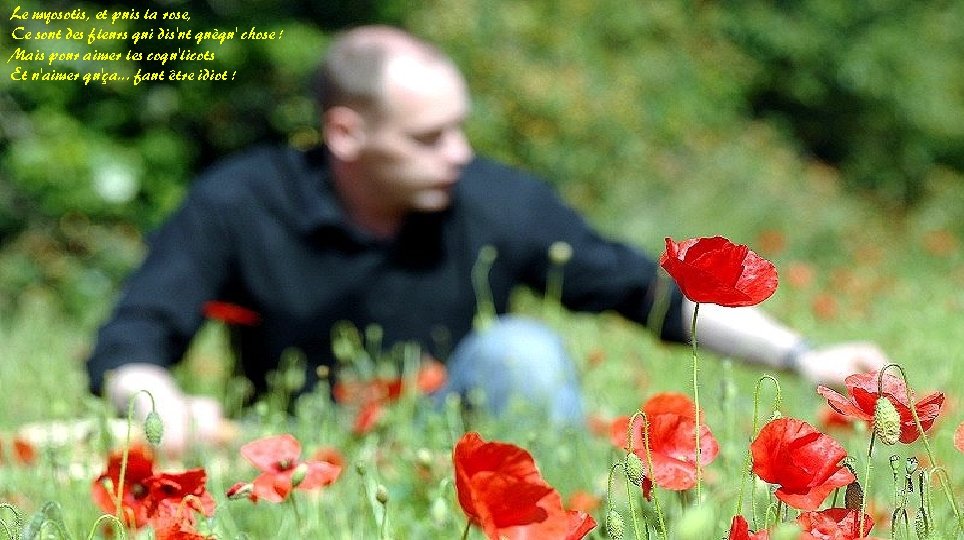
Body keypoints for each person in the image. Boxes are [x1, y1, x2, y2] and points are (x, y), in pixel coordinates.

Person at [86, 25, 887, 452]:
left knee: (520, 352)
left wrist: (801, 356)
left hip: (458, 446)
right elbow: (132, 340)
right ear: (346, 133)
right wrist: (159, 406)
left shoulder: (495, 199)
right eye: (430, 137)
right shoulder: (238, 202)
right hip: (288, 448)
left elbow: (650, 297)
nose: (459, 153)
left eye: (460, 128)